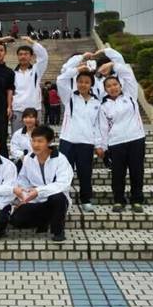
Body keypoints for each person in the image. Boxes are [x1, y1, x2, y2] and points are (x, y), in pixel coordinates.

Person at [97, 58, 146, 213]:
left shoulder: (130, 96)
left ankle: (137, 200)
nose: (113, 88)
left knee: (136, 171)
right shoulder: (103, 106)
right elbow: (103, 128)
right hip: (116, 143)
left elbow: (128, 74)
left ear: (120, 85)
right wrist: (102, 147)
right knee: (118, 173)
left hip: (136, 139)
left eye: (115, 84)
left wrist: (112, 65)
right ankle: (119, 200)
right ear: (105, 89)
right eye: (109, 86)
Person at [56, 52, 103, 212]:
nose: (83, 85)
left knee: (85, 173)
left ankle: (86, 199)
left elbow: (97, 126)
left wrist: (98, 144)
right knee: (64, 172)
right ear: (76, 83)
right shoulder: (69, 97)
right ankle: (63, 198)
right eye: (80, 82)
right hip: (68, 141)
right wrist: (79, 65)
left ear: (91, 85)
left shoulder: (97, 102)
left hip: (86, 143)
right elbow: (60, 79)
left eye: (86, 82)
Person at [11, 125, 74, 242]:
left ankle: (58, 231)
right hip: (35, 200)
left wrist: (38, 191)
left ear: (49, 142)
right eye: (33, 141)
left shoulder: (60, 159)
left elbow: (63, 184)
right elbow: (22, 180)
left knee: (58, 197)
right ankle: (44, 221)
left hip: (55, 201)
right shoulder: (29, 158)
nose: (35, 145)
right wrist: (24, 198)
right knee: (16, 220)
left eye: (40, 141)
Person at [11, 36, 49, 133]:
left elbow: (44, 56)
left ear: (31, 56)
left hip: (34, 109)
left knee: (36, 137)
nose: (23, 56)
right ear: (17, 56)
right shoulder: (12, 73)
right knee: (17, 136)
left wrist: (32, 42)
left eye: (26, 54)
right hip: (17, 110)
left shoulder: (36, 70)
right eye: (20, 54)